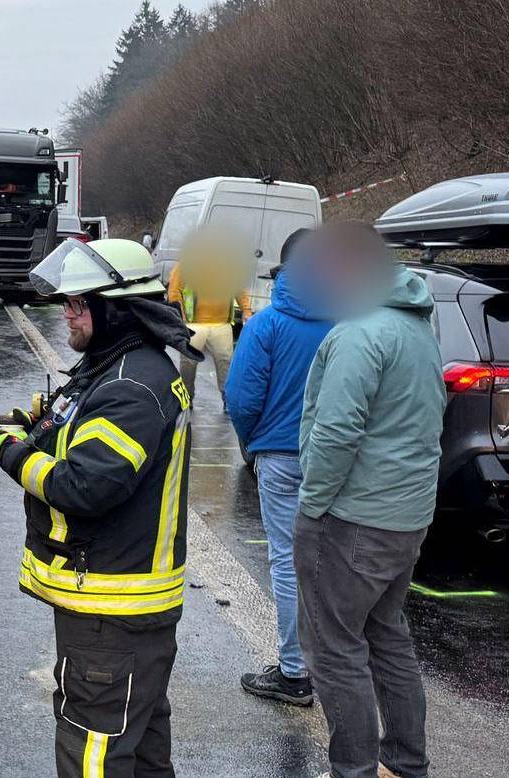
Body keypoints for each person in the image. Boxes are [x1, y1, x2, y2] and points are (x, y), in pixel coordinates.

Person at [0, 238, 199, 778]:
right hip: (115, 606)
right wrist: (35, 425)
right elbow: (79, 428)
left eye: (78, 304)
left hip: (111, 606)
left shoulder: (131, 385)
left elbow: (85, 487)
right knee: (139, 746)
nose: (67, 316)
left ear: (115, 309)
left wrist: (7, 450)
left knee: (94, 754)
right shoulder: (115, 366)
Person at [295, 222, 443, 778]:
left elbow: (336, 432)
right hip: (403, 520)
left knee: (335, 652)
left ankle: (353, 770)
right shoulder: (415, 329)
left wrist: (311, 507)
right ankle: (405, 762)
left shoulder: (361, 333)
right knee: (387, 637)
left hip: (351, 520)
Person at [224, 229, 329, 707]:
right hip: (335, 459)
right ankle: (333, 666)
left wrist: (254, 443)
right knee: (331, 563)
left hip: (281, 457)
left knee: (288, 561)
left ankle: (293, 672)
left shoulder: (267, 326)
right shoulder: (349, 321)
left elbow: (242, 399)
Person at [165, 232, 253, 401]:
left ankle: (228, 398)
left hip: (221, 325)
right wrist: (181, 316)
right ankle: (187, 396)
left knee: (225, 362)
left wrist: (247, 311)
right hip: (193, 324)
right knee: (188, 363)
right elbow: (174, 290)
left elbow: (240, 291)